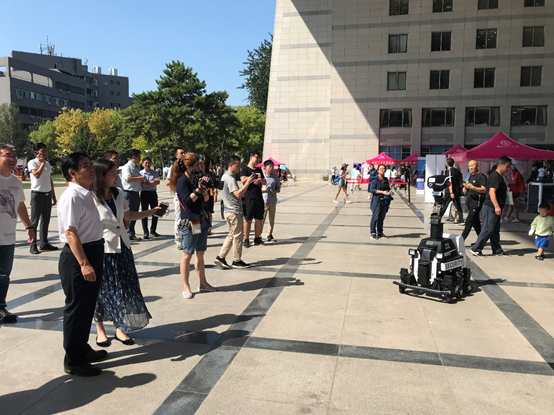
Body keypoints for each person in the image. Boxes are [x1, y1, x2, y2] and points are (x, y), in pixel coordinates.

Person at [91, 159, 158, 347]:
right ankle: (100, 328)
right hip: (104, 250)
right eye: (113, 174)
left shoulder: (118, 193)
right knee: (103, 291)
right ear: (101, 176)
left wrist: (151, 211)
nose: (117, 177)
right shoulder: (91, 197)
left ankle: (120, 327)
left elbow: (128, 215)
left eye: (117, 173)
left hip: (123, 248)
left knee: (126, 288)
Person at [57, 152, 107, 377]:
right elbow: (70, 233)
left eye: (89, 164)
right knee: (77, 309)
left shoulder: (86, 193)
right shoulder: (72, 196)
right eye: (85, 166)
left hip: (93, 251)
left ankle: (81, 347)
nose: (90, 169)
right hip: (79, 256)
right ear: (72, 173)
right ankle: (73, 359)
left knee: (87, 306)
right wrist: (85, 264)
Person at [0, 143, 35, 323]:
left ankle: (1, 307)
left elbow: (20, 205)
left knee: (4, 275)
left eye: (14, 156)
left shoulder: (16, 182)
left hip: (8, 237)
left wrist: (29, 227)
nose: (13, 159)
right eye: (8, 155)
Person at [175, 154, 216, 299]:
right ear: (188, 166)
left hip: (202, 220)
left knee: (200, 252)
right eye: (197, 165)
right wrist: (198, 190)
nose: (200, 167)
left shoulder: (197, 179)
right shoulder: (183, 181)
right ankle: (186, 286)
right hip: (190, 221)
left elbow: (207, 201)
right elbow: (187, 201)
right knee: (187, 254)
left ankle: (203, 283)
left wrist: (205, 192)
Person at [214, 156, 255, 270]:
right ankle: (237, 260)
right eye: (238, 165)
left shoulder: (224, 176)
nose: (239, 168)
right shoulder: (230, 179)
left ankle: (221, 257)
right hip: (234, 211)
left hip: (228, 211)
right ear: (231, 165)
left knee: (232, 235)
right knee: (237, 236)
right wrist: (247, 183)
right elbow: (238, 194)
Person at [471, 156, 512, 257]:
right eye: (507, 167)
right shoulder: (495, 176)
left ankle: (497, 249)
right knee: (488, 228)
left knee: (495, 229)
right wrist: (496, 206)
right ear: (500, 165)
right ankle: (476, 248)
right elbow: (492, 191)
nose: (508, 169)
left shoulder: (499, 176)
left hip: (494, 206)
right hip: (491, 206)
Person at [27, 143, 57, 254]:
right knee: (34, 222)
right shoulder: (32, 162)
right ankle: (33, 245)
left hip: (47, 195)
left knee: (45, 221)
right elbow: (36, 175)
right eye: (42, 151)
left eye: (45, 151)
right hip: (37, 195)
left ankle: (44, 243)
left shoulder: (47, 163)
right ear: (36, 152)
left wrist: (53, 195)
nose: (44, 153)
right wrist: (42, 163)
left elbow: (49, 180)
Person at [240, 151, 267, 248]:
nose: (258, 160)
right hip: (248, 198)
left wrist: (260, 180)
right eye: (256, 157)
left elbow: (265, 182)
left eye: (258, 158)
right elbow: (243, 180)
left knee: (259, 219)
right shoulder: (245, 169)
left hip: (259, 197)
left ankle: (257, 238)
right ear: (251, 158)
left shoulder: (259, 170)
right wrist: (252, 177)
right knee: (248, 219)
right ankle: (246, 239)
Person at [121, 149, 145, 241]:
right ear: (134, 157)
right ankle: (127, 233)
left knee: (134, 214)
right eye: (139, 156)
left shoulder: (135, 167)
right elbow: (128, 179)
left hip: (135, 193)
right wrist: (141, 177)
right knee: (128, 214)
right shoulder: (127, 167)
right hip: (129, 192)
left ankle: (131, 233)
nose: (140, 158)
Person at [166, 148, 187, 249]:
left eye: (184, 152)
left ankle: (187, 238)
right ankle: (178, 240)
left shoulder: (187, 165)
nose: (183, 154)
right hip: (178, 195)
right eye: (181, 153)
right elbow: (167, 182)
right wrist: (178, 179)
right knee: (179, 218)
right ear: (176, 156)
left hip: (187, 194)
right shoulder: (173, 167)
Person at [461, 160, 487, 243]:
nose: (471, 168)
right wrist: (465, 188)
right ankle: (481, 240)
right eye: (469, 166)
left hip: (476, 203)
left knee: (468, 222)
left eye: (473, 166)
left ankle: (460, 240)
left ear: (477, 166)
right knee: (476, 223)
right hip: (470, 201)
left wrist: (472, 187)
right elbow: (467, 185)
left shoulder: (481, 176)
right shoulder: (470, 176)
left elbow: (484, 189)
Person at [139, 157, 161, 239]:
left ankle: (153, 230)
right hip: (144, 194)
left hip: (153, 193)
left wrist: (148, 183)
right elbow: (141, 185)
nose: (148, 164)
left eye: (149, 162)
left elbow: (157, 182)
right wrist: (152, 182)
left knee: (156, 212)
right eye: (146, 163)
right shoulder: (140, 173)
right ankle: (145, 232)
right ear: (143, 164)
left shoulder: (154, 172)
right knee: (144, 212)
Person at [370, 164, 392, 240]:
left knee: (382, 217)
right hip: (377, 200)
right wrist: (382, 192)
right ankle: (373, 233)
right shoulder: (375, 179)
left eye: (383, 169)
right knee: (375, 217)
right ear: (378, 170)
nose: (382, 170)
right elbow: (372, 189)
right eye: (380, 168)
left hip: (385, 200)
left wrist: (389, 191)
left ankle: (380, 232)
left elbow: (387, 188)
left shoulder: (385, 179)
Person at [262, 159, 281, 242]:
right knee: (262, 219)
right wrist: (265, 189)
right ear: (265, 167)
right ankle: (259, 234)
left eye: (272, 166)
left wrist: (275, 191)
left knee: (271, 218)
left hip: (272, 200)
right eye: (270, 166)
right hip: (264, 200)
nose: (271, 168)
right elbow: (258, 189)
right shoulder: (262, 177)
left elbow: (278, 188)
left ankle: (270, 234)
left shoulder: (275, 177)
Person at [441, 158, 464, 224]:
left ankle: (438, 218)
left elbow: (450, 182)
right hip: (457, 191)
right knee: (458, 206)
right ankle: (461, 220)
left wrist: (451, 192)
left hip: (450, 192)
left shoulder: (449, 171)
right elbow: (460, 182)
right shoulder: (458, 171)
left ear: (447, 164)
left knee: (444, 205)